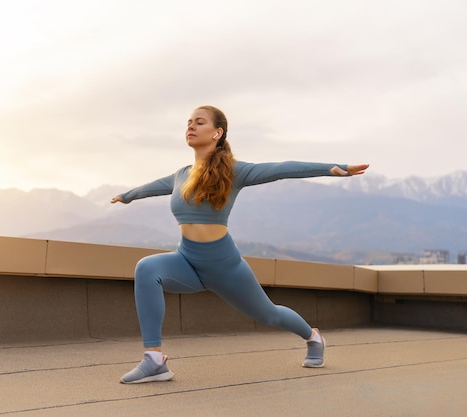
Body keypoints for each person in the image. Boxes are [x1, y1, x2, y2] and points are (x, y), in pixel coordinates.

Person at [111, 105, 369, 384]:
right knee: (147, 268)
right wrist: (127, 196)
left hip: (224, 266)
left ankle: (313, 336)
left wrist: (333, 169)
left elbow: (280, 169)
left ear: (217, 133)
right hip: (186, 260)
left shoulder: (234, 171)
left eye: (199, 122)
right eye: (188, 122)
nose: (191, 126)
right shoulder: (181, 175)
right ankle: (154, 360)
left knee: (268, 314)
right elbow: (151, 188)